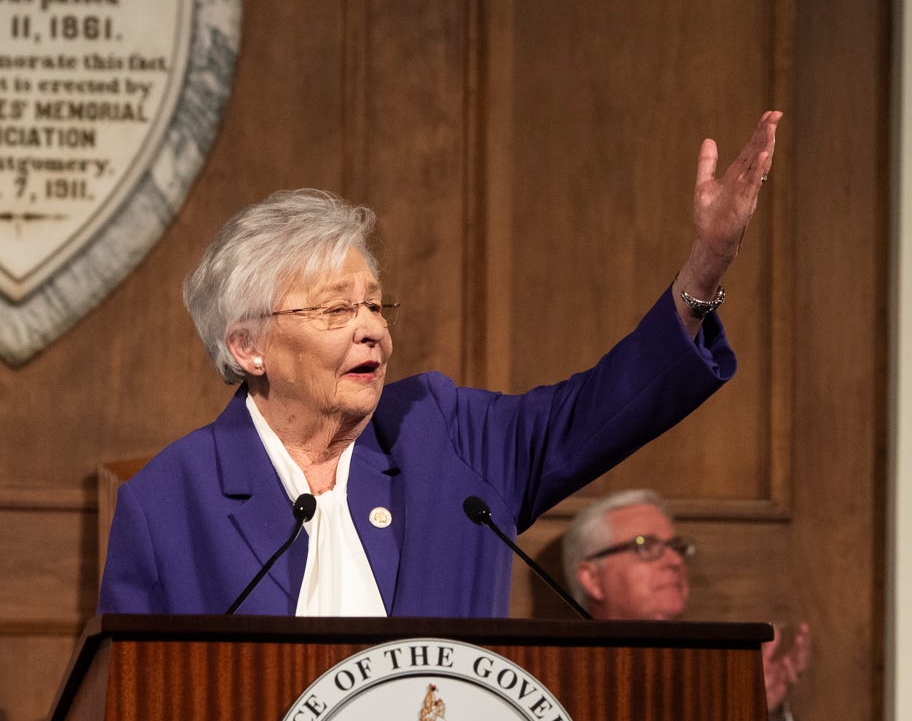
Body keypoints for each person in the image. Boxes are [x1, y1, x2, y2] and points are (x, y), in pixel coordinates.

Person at [100, 110, 780, 616]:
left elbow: (603, 408)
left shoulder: (445, 436)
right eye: (337, 311)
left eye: (375, 306)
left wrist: (705, 266)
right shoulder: (169, 500)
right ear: (247, 346)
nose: (372, 332)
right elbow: (132, 712)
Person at [563, 488, 831, 721]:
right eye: (646, 547)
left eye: (676, 548)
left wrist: (767, 718)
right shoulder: (559, 680)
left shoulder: (717, 675)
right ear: (592, 578)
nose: (674, 561)